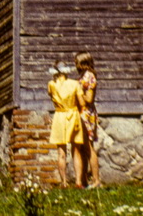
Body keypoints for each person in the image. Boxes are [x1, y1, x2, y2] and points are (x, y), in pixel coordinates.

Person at [47, 60, 85, 188]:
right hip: (73, 114)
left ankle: (64, 182)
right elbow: (82, 102)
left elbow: (51, 97)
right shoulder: (75, 84)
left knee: (61, 152)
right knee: (76, 150)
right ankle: (78, 181)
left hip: (59, 116)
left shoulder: (51, 84)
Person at [75, 50, 101, 188]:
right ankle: (84, 180)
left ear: (83, 63)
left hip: (87, 113)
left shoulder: (89, 76)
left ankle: (96, 180)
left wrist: (78, 94)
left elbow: (89, 98)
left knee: (89, 147)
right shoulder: (83, 76)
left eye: (77, 62)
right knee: (83, 147)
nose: (76, 65)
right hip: (81, 112)